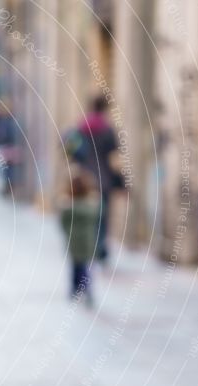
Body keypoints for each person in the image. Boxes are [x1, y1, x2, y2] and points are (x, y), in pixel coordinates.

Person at [73, 95, 118, 263]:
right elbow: (114, 157)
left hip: (84, 181)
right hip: (103, 180)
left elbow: (71, 149)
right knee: (102, 216)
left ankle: (87, 247)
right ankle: (100, 248)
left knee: (87, 216)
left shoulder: (82, 127)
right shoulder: (108, 130)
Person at [59, 165, 99, 306]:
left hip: (73, 242)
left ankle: (74, 289)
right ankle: (86, 290)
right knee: (84, 267)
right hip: (87, 243)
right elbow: (97, 218)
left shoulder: (68, 207)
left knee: (75, 267)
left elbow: (62, 222)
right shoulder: (91, 206)